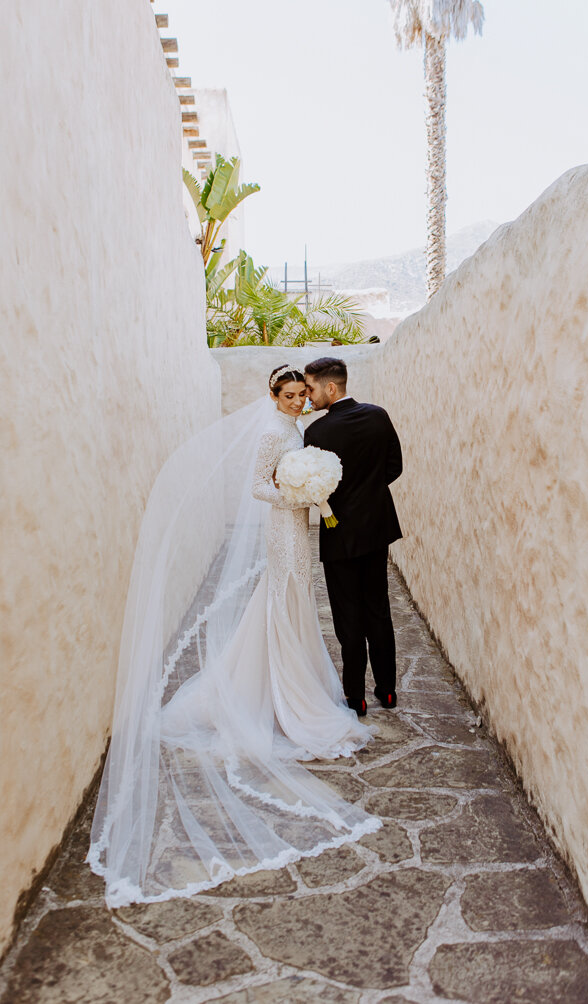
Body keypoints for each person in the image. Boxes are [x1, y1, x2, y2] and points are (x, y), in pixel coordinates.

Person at [88, 364, 379, 908]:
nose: (296, 402)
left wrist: (313, 493)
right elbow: (256, 488)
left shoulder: (295, 430)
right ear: (274, 394)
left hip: (298, 527)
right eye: (289, 395)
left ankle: (282, 685)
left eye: (301, 395)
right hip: (283, 528)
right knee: (281, 599)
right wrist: (298, 497)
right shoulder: (273, 432)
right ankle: (277, 697)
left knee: (292, 604)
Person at [304, 357, 403, 717]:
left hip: (339, 533)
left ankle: (355, 697)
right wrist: (370, 498)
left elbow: (317, 486)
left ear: (331, 388)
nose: (308, 397)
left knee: (348, 616)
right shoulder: (378, 415)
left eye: (311, 388)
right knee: (378, 608)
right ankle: (388, 692)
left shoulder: (317, 433)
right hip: (377, 531)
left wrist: (345, 503)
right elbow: (395, 466)